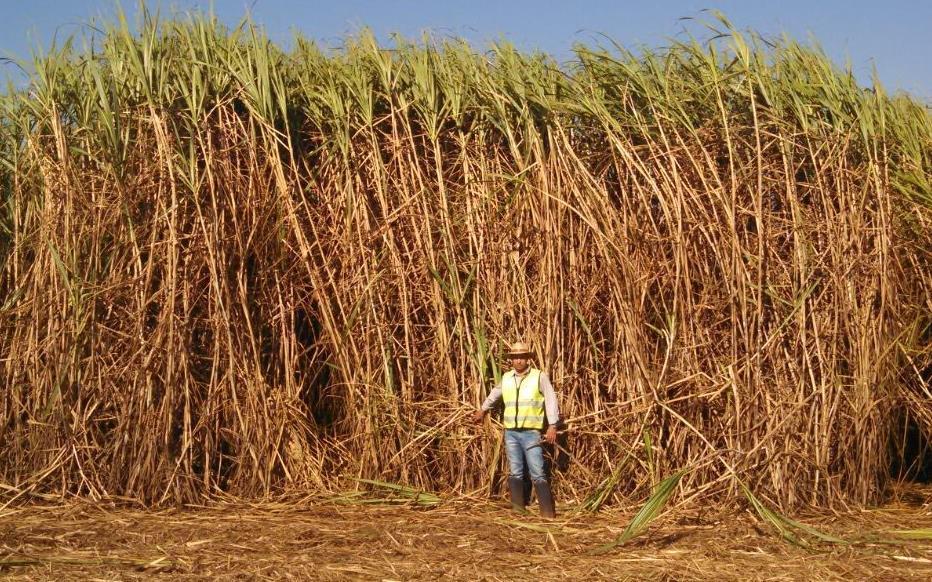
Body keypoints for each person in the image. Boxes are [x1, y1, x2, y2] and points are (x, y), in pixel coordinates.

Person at [472, 341, 559, 518]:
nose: (518, 360)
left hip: (531, 432)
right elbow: (495, 394)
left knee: (537, 471)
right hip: (511, 432)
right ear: (511, 360)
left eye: (522, 357)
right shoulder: (506, 378)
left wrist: (552, 425)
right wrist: (482, 409)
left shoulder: (539, 377)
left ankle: (547, 514)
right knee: (515, 471)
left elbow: (551, 399)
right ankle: (518, 509)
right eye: (515, 357)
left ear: (528, 359)